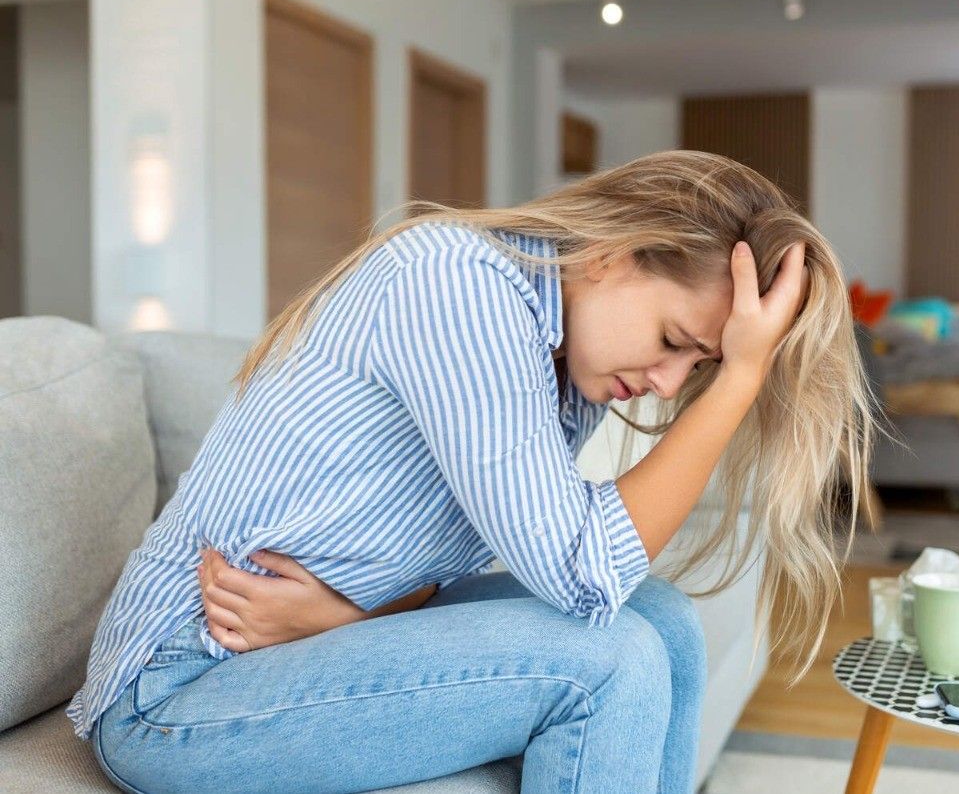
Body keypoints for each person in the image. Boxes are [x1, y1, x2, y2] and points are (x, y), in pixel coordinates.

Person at [69, 150, 880, 793]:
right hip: (175, 691)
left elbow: (426, 556)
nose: (670, 385)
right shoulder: (459, 285)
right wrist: (737, 379)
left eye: (697, 365)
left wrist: (345, 622)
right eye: (674, 341)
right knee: (610, 662)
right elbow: (582, 572)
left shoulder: (562, 359)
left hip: (278, 650)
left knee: (661, 622)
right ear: (612, 257)